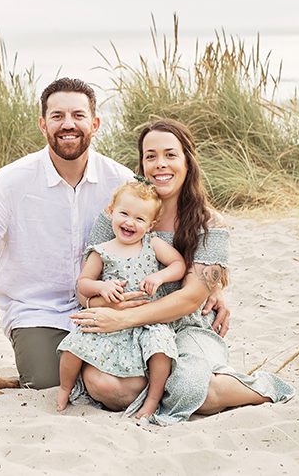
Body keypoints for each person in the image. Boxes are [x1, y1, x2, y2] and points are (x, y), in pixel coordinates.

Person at [0, 79, 232, 389]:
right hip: (37, 312)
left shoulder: (120, 182)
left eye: (78, 116)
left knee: (119, 375)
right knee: (51, 380)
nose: (67, 124)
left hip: (105, 305)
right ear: (43, 124)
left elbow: (175, 219)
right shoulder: (12, 182)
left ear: (96, 123)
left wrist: (212, 284)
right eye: (57, 116)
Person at [69, 119, 294, 423]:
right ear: (142, 164)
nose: (160, 164)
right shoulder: (118, 214)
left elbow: (191, 298)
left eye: (170, 155)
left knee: (188, 389)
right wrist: (102, 307)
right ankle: (170, 385)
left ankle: (256, 387)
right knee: (105, 386)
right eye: (151, 156)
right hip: (125, 325)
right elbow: (86, 284)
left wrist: (124, 316)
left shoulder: (209, 224)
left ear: (188, 160)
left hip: (187, 325)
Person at [55, 179, 186, 418]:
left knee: (161, 349)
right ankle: (65, 388)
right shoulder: (101, 250)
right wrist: (102, 287)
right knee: (73, 345)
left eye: (140, 219)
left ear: (150, 225)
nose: (129, 222)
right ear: (111, 211)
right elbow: (83, 283)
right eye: (124, 213)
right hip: (110, 316)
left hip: (146, 321)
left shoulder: (152, 244)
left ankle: (152, 400)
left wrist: (159, 277)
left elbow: (178, 264)